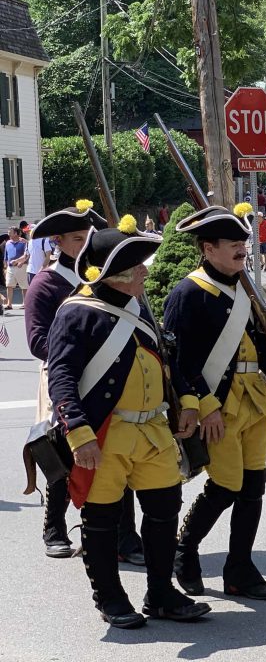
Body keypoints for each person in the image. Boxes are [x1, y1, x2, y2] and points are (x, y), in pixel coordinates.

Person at [47, 215, 210, 628]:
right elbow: (61, 376)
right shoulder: (77, 313)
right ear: (116, 275)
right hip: (104, 434)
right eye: (137, 268)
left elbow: (169, 361)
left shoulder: (139, 306)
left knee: (163, 511)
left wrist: (187, 402)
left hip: (153, 430)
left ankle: (161, 595)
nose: (144, 273)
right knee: (101, 520)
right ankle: (111, 598)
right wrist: (79, 434)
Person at [164, 203, 266, 602]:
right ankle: (185, 549)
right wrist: (204, 403)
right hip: (219, 405)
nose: (240, 250)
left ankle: (240, 568)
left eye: (243, 243)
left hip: (254, 402)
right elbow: (177, 361)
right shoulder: (188, 293)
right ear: (207, 248)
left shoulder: (244, 290)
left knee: (253, 487)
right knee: (226, 486)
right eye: (232, 243)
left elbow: (262, 345)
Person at [24, 199, 107, 558]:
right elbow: (37, 341)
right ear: (58, 242)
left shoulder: (102, 276)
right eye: (77, 238)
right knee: (63, 451)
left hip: (107, 375)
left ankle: (118, 533)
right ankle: (54, 526)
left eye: (88, 235)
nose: (85, 243)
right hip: (62, 375)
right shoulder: (45, 284)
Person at [4, 226, 29, 309]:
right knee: (9, 285)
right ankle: (9, 304)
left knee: (24, 286)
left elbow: (27, 255)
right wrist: (5, 267)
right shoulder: (7, 243)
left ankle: (25, 303)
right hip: (10, 268)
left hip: (21, 266)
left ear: (15, 233)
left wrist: (22, 262)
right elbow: (6, 256)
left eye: (10, 231)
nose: (8, 232)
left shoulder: (23, 242)